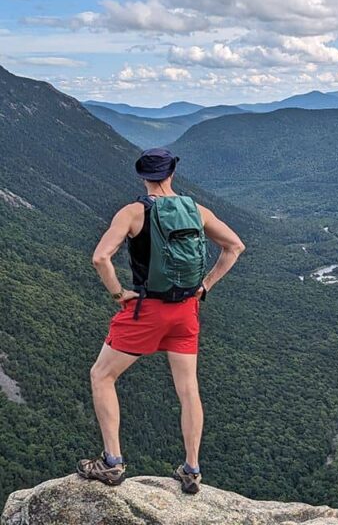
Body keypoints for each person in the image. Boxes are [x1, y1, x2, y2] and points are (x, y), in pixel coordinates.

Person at [77, 148, 245, 494]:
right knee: (188, 390)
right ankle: (192, 469)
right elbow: (235, 247)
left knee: (102, 375)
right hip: (186, 311)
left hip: (147, 310)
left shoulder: (133, 212)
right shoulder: (196, 209)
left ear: (144, 176)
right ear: (171, 174)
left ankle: (112, 462)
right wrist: (205, 285)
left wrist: (118, 293)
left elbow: (100, 258)